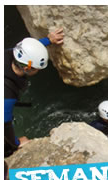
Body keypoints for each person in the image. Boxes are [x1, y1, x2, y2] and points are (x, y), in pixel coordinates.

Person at [4, 28, 64, 157]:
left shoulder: (7, 55)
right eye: (37, 68)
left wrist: (48, 40)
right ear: (27, 68)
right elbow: (4, 124)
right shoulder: (7, 95)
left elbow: (25, 51)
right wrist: (16, 143)